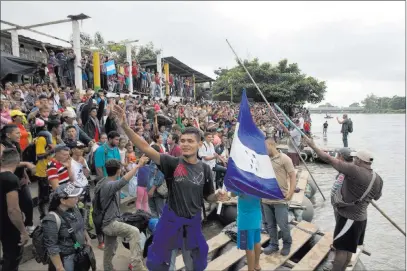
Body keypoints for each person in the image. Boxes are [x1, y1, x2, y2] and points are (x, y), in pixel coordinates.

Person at [111, 104, 228, 271]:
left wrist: (217, 197)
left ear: (199, 144)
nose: (186, 144)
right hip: (171, 219)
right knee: (162, 262)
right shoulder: (172, 163)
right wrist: (124, 126)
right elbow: (144, 147)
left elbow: (207, 196)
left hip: (193, 222)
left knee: (195, 263)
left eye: (190, 141)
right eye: (183, 141)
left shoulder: (205, 169)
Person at [305, 138, 383, 271]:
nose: (353, 161)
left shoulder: (355, 170)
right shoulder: (377, 178)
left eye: (355, 159)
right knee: (350, 249)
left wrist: (313, 146)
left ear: (359, 160)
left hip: (348, 218)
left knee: (341, 249)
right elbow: (377, 197)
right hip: (361, 219)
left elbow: (329, 159)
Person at [95, 157, 149, 271]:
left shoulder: (104, 181)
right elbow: (124, 181)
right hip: (109, 223)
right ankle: (137, 266)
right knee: (134, 232)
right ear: (118, 170)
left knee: (110, 248)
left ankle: (108, 268)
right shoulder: (109, 185)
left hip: (107, 221)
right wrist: (138, 166)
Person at [43, 183, 93, 271]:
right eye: (74, 197)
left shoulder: (74, 208)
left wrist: (87, 238)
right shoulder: (51, 219)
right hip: (66, 259)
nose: (77, 199)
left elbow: (81, 226)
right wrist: (60, 268)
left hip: (79, 251)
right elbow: (52, 247)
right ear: (63, 200)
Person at [262, 137, 296, 256]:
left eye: (265, 147)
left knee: (283, 224)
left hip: (280, 197)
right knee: (270, 224)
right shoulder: (263, 160)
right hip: (266, 198)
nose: (264, 150)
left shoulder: (284, 159)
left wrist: (291, 192)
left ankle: (287, 244)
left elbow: (292, 176)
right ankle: (274, 244)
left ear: (272, 145)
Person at [0, 148, 31, 271]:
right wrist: (23, 231)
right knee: (12, 258)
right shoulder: (11, 180)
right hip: (8, 225)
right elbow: (13, 210)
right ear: (17, 161)